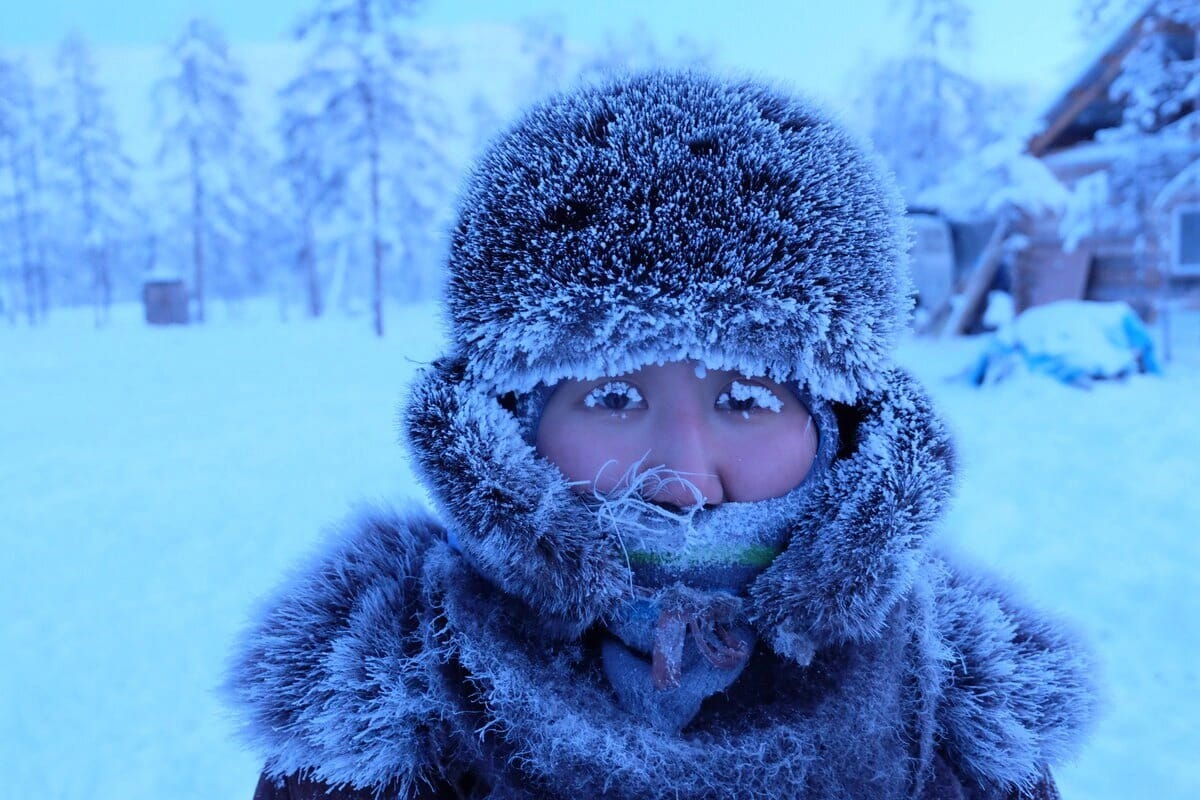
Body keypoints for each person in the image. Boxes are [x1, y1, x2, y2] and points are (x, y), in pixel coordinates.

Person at [227, 70, 1096, 799]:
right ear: (506, 424)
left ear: (843, 427)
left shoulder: (959, 704)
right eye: (613, 396)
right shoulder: (383, 698)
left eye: (746, 401)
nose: (683, 479)